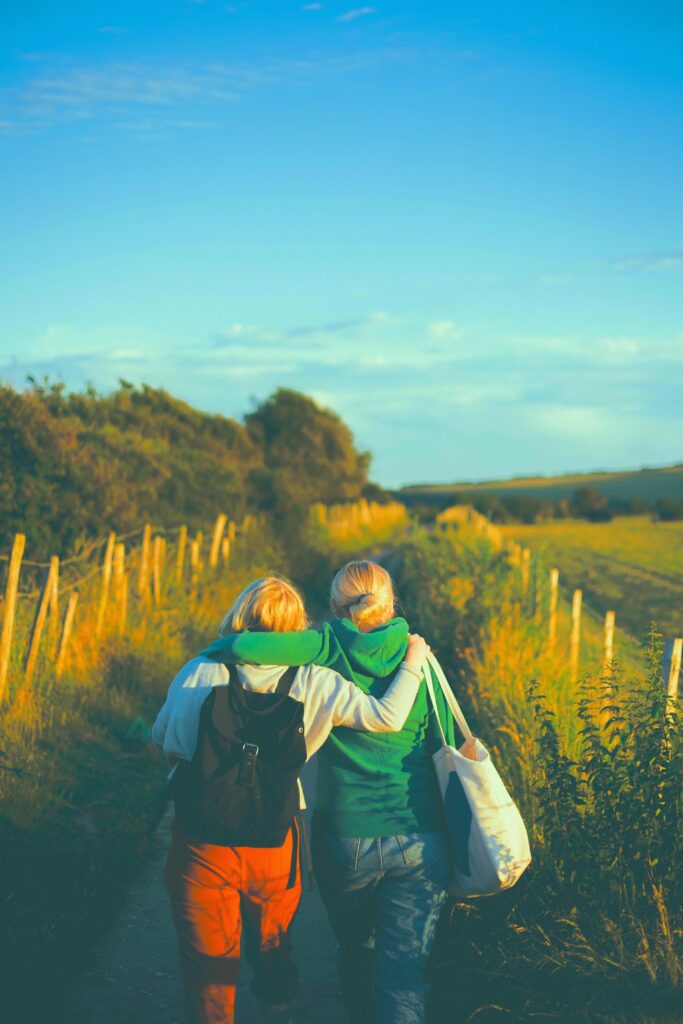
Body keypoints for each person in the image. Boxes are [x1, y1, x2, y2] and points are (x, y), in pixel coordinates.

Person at [152, 574, 428, 1024]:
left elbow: (168, 741)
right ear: (299, 625)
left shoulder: (201, 669)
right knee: (271, 941)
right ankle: (278, 1005)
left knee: (207, 964)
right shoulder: (318, 680)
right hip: (276, 837)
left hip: (202, 839)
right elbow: (385, 717)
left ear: (240, 615)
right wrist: (415, 659)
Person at [203, 560, 469, 1024]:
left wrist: (214, 648)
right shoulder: (421, 661)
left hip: (344, 836)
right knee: (403, 973)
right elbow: (446, 746)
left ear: (333, 607)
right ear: (391, 603)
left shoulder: (325, 645)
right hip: (417, 835)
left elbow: (242, 645)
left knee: (355, 948)